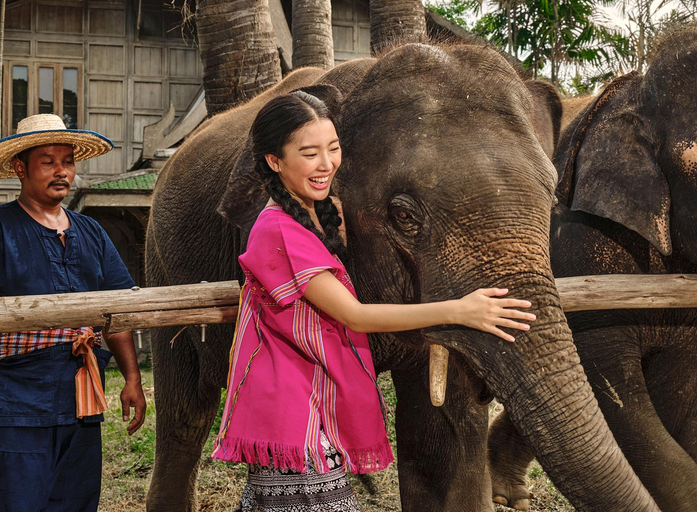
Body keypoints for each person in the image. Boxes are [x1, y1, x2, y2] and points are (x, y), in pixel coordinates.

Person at [211, 92, 536, 511]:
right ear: (275, 161)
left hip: (307, 402)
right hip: (292, 412)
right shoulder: (279, 229)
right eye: (309, 153)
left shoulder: (314, 214)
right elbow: (355, 315)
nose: (327, 163)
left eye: (333, 148)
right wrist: (461, 309)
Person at [0, 114, 147, 511]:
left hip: (82, 402)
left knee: (76, 502)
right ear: (20, 168)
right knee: (16, 503)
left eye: (68, 160)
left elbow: (119, 308)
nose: (62, 171)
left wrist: (132, 377)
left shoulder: (92, 232)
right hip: (16, 406)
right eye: (48, 161)